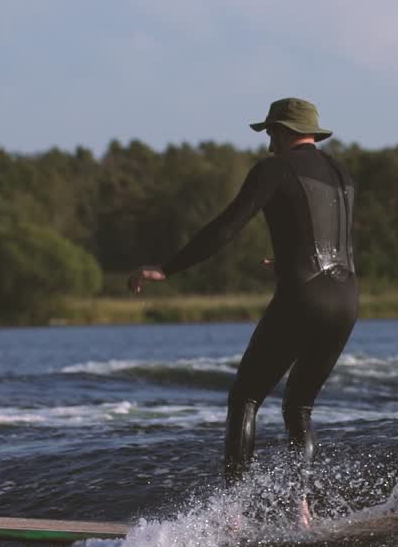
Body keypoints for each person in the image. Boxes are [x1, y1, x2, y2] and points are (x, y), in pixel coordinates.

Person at [128, 97, 358, 524]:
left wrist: (168, 268)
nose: (269, 142)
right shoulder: (341, 174)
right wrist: (290, 261)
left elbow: (226, 227)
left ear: (284, 132)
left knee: (246, 396)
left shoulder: (274, 170)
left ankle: (233, 514)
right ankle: (301, 509)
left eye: (271, 132)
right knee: (299, 407)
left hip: (304, 297)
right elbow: (332, 243)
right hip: (346, 300)